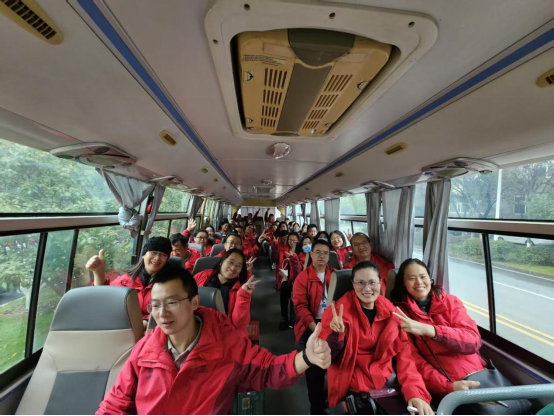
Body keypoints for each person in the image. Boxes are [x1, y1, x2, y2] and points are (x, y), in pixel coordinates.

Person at [97, 266, 332, 415]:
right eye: (155, 305)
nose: (162, 313)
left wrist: (306, 357)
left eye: (172, 303)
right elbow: (116, 403)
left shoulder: (226, 343)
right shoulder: (145, 349)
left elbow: (267, 369)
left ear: (195, 303)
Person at [320, 261, 434, 416]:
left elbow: (405, 357)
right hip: (352, 386)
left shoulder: (392, 313)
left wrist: (415, 393)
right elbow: (325, 356)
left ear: (380, 283)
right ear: (353, 284)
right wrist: (336, 335)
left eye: (372, 282)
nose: (367, 288)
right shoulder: (336, 314)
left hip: (386, 385)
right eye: (360, 282)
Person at [390, 259, 485, 398]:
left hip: (480, 375)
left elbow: (473, 341)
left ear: (430, 278)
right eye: (411, 278)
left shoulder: (451, 302)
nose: (419, 282)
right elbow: (414, 361)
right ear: (403, 283)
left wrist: (432, 331)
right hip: (449, 387)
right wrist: (449, 387)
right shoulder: (400, 314)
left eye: (423, 276)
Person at [292, 239, 335, 415]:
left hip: (333, 325)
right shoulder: (303, 278)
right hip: (312, 325)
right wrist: (316, 328)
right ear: (311, 254)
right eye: (318, 252)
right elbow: (300, 307)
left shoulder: (335, 276)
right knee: (315, 370)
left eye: (325, 253)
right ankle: (316, 407)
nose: (322, 256)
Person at [85, 237, 171, 323]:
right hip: (121, 325)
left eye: (163, 255)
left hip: (153, 328)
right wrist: (98, 273)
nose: (157, 258)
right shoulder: (127, 280)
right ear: (144, 254)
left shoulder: (170, 284)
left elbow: (170, 310)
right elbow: (105, 296)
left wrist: (144, 323)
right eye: (153, 253)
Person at [194, 249, 257, 331]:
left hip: (222, 331)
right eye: (231, 262)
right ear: (221, 262)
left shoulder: (241, 290)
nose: (233, 268)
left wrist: (244, 295)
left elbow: (239, 324)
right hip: (195, 324)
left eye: (238, 266)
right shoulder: (202, 275)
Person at [278, 232, 303, 331]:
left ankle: (294, 316)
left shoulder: (301, 251)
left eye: (294, 240)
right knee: (285, 287)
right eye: (290, 240)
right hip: (288, 275)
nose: (292, 242)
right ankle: (284, 316)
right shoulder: (284, 250)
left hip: (299, 277)